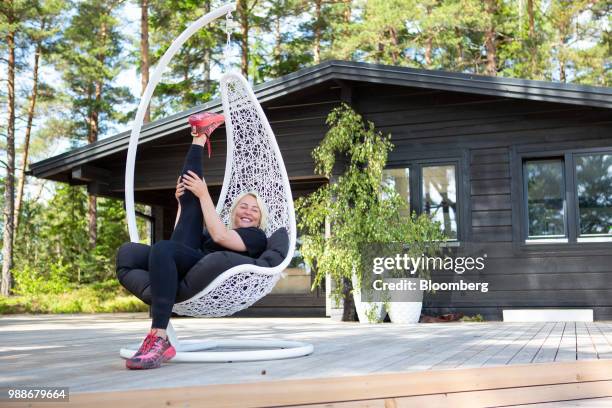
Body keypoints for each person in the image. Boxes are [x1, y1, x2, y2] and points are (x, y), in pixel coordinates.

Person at [116, 112, 268, 370]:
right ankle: (200, 136)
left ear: (259, 218)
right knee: (128, 253)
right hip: (190, 261)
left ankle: (158, 337)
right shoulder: (216, 227)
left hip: (211, 275)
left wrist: (203, 194)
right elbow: (180, 238)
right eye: (243, 206)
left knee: (171, 237)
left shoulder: (255, 237)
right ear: (234, 213)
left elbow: (221, 236)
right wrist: (181, 203)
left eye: (254, 210)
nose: (248, 211)